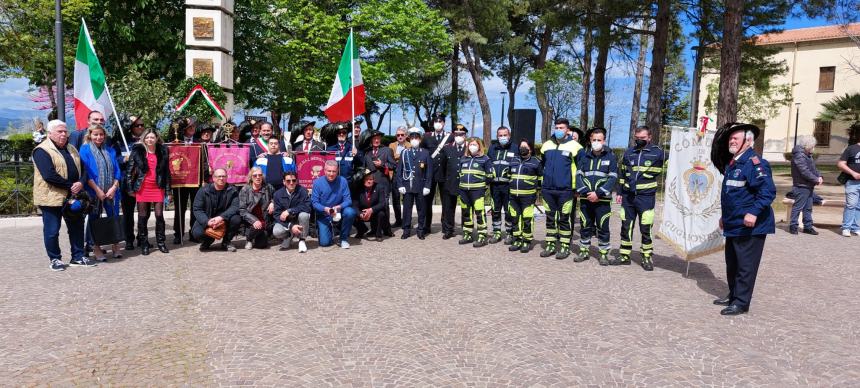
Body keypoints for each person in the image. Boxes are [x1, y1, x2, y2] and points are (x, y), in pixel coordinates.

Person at [711, 122, 776, 316]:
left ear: (747, 141)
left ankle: (741, 302)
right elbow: (732, 195)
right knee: (733, 263)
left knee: (745, 266)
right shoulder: (734, 163)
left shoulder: (755, 163)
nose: (731, 141)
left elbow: (767, 191)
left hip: (751, 226)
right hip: (734, 223)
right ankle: (734, 295)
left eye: (735, 138)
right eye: (730, 138)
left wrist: (754, 212)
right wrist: (725, 217)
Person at [33, 120, 93, 270]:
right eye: (60, 131)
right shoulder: (41, 150)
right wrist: (71, 185)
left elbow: (83, 169)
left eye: (65, 131)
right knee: (52, 231)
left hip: (73, 196)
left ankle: (78, 257)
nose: (64, 134)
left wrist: (80, 182)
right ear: (50, 133)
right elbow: (49, 175)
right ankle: (55, 259)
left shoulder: (72, 148)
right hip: (51, 198)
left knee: (77, 227)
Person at [611, 125, 665, 270]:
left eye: (643, 138)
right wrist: (620, 192)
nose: (640, 140)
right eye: (637, 138)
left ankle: (647, 257)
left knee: (646, 227)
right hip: (628, 196)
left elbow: (664, 170)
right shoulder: (629, 152)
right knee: (626, 226)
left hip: (646, 197)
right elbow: (622, 172)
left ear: (649, 137)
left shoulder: (658, 153)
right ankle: (624, 255)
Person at [539, 118, 583, 259]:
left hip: (566, 189)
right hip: (548, 189)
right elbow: (542, 166)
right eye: (557, 127)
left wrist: (577, 188)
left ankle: (564, 246)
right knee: (550, 218)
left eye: (562, 128)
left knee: (565, 218)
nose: (559, 130)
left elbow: (580, 169)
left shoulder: (576, 147)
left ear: (567, 130)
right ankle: (551, 244)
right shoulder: (546, 145)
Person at [79, 124, 123, 261]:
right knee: (94, 220)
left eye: (101, 134)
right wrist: (97, 190)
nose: (98, 137)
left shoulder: (110, 150)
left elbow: (117, 170)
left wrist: (113, 187)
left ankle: (115, 246)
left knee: (114, 218)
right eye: (95, 134)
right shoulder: (85, 150)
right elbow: (86, 172)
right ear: (90, 135)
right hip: (94, 191)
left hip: (111, 191)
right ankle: (96, 248)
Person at [574, 128, 617, 264]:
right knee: (585, 225)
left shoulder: (610, 157)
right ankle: (584, 251)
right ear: (590, 141)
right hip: (586, 199)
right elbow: (578, 176)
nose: (597, 142)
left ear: (604, 141)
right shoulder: (584, 157)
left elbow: (613, 178)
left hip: (602, 200)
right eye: (594, 140)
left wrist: (598, 193)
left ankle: (603, 253)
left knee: (603, 227)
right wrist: (587, 192)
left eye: (599, 140)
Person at [127, 129, 171, 255]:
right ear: (144, 138)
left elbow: (166, 172)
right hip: (142, 187)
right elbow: (130, 171)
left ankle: (161, 242)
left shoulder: (163, 151)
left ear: (157, 138)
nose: (150, 140)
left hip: (158, 187)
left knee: (159, 215)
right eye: (147, 137)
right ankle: (144, 243)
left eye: (152, 137)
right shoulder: (137, 151)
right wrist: (130, 188)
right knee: (142, 215)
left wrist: (168, 190)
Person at [506, 139, 542, 253]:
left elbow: (541, 179)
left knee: (527, 219)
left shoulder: (536, 162)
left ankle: (526, 241)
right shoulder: (513, 161)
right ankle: (517, 239)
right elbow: (508, 175)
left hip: (528, 197)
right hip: (513, 196)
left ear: (530, 149)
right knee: (515, 218)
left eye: (525, 147)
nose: (522, 149)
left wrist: (537, 192)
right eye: (521, 147)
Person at [191, 168, 241, 251]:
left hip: (225, 219)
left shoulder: (233, 190)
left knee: (236, 219)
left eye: (223, 176)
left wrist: (221, 217)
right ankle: (208, 241)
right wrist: (207, 221)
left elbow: (235, 207)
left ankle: (226, 242)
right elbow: (197, 209)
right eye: (219, 176)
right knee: (197, 233)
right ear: (213, 178)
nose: (221, 178)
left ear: (227, 177)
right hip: (208, 218)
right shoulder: (203, 191)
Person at [396, 127, 433, 239]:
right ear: (409, 139)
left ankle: (420, 229)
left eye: (416, 137)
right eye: (412, 137)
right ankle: (406, 230)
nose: (414, 139)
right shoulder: (404, 152)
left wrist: (427, 186)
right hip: (407, 185)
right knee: (407, 209)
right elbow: (399, 171)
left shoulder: (425, 153)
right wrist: (400, 184)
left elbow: (429, 172)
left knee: (421, 209)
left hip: (420, 186)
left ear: (420, 139)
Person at [115, 116, 145, 250]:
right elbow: (114, 159)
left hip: (144, 182)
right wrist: (123, 159)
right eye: (137, 125)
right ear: (130, 127)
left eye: (141, 125)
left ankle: (142, 238)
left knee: (144, 212)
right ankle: (128, 239)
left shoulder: (147, 140)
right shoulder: (120, 142)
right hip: (127, 182)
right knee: (128, 213)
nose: (140, 127)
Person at [311, 160, 357, 248]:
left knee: (350, 212)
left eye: (334, 171)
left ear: (338, 171)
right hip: (324, 214)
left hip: (339, 212)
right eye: (329, 171)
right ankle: (329, 231)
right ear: (324, 171)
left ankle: (343, 239)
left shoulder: (343, 181)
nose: (331, 174)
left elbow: (348, 200)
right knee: (325, 243)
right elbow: (314, 203)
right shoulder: (317, 183)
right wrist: (326, 209)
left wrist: (339, 207)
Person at [458, 137, 494, 247]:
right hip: (464, 190)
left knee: (479, 213)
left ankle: (482, 235)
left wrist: (482, 184)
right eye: (470, 144)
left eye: (475, 144)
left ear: (479, 146)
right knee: (466, 213)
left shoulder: (485, 159)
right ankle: (467, 234)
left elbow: (490, 175)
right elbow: (460, 173)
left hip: (477, 191)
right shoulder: (463, 158)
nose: (472, 146)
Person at [421, 113, 453, 233]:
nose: (438, 123)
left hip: (445, 174)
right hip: (430, 174)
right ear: (433, 123)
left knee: (446, 202)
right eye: (436, 121)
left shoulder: (450, 137)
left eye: (440, 121)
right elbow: (422, 153)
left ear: (444, 123)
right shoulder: (427, 137)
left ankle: (446, 226)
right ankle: (426, 226)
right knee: (427, 201)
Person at [171, 118, 201, 244]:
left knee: (195, 208)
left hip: (196, 179)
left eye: (194, 126)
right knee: (180, 207)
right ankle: (178, 233)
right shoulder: (175, 143)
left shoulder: (199, 143)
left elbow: (203, 160)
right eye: (189, 127)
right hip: (180, 180)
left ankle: (194, 233)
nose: (192, 129)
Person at [360, 131, 395, 237]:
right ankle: (374, 229)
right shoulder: (367, 152)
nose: (376, 140)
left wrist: (383, 164)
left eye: (378, 138)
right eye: (374, 138)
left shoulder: (387, 150)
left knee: (384, 206)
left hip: (383, 183)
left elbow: (393, 165)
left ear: (380, 139)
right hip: (371, 183)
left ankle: (387, 229)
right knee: (372, 205)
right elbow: (364, 167)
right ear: (371, 140)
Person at [437, 124, 468, 239]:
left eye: (461, 134)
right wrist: (443, 182)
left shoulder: (469, 147)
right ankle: (449, 229)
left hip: (466, 183)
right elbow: (442, 167)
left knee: (466, 207)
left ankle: (467, 230)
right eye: (457, 134)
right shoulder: (447, 148)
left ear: (465, 135)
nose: (459, 136)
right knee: (448, 208)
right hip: (449, 182)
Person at [487, 126, 515, 244]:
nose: (503, 137)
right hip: (495, 186)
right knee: (495, 209)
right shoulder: (492, 148)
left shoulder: (515, 148)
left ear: (509, 135)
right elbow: (488, 164)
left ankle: (510, 233)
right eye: (500, 135)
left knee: (509, 210)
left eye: (505, 135)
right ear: (497, 136)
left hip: (508, 186)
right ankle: (497, 232)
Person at [788, 135, 822, 235]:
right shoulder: (799, 155)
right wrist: (816, 179)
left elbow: (813, 169)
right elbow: (804, 171)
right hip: (801, 185)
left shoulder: (808, 155)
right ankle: (793, 226)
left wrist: (819, 176)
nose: (813, 148)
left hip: (808, 185)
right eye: (812, 146)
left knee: (808, 208)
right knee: (798, 207)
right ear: (807, 146)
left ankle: (808, 227)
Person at [273, 171, 312, 252]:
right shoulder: (277, 194)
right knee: (276, 231)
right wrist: (291, 226)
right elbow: (276, 215)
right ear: (284, 182)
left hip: (298, 219)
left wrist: (290, 210)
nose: (291, 183)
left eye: (294, 180)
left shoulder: (303, 191)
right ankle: (288, 236)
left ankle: (302, 240)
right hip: (287, 222)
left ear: (296, 181)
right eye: (288, 181)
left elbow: (307, 207)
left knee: (304, 215)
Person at [238, 167, 275, 249]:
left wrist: (272, 203)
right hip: (250, 222)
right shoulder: (245, 190)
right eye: (255, 175)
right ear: (251, 177)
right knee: (258, 226)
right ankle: (249, 239)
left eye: (260, 175)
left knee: (261, 245)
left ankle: (260, 235)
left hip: (265, 220)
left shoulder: (268, 187)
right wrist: (254, 220)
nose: (258, 177)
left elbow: (276, 197)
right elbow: (242, 210)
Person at [354, 169, 389, 241]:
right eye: (367, 179)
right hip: (363, 213)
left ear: (373, 180)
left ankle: (378, 234)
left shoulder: (379, 187)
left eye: (371, 179)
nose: (369, 181)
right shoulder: (358, 189)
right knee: (351, 213)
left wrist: (371, 210)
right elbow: (354, 205)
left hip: (374, 212)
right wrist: (360, 214)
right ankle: (361, 230)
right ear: (363, 180)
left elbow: (382, 203)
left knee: (381, 213)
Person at [837, 137, 860, 237]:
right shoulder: (851, 149)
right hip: (852, 182)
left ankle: (856, 227)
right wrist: (853, 173)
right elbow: (841, 164)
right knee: (851, 204)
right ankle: (846, 227)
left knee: (859, 206)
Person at [388, 126, 410, 227]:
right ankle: (398, 220)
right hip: (395, 174)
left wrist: (397, 155)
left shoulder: (410, 145)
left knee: (406, 199)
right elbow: (390, 158)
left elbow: (409, 158)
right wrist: (402, 154)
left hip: (406, 175)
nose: (400, 136)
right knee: (395, 199)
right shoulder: (391, 145)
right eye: (398, 135)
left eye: (402, 135)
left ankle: (406, 220)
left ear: (406, 135)